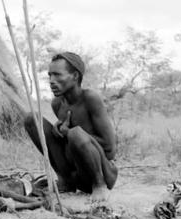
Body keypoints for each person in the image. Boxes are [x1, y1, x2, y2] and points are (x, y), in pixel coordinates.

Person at [24, 52, 118, 204]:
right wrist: (59, 131)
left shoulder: (90, 98)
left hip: (102, 173)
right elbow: (67, 142)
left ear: (75, 76)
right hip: (74, 174)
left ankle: (99, 187)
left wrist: (70, 133)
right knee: (31, 119)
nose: (51, 81)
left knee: (75, 134)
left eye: (57, 75)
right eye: (49, 76)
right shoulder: (57, 104)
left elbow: (110, 148)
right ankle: (64, 181)